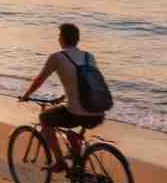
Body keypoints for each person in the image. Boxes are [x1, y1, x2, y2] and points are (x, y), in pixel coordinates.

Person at [18, 23, 105, 172]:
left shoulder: (57, 57)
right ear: (77, 40)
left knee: (45, 118)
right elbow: (87, 82)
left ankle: (59, 161)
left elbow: (39, 80)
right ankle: (77, 157)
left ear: (62, 39)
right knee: (76, 122)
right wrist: (64, 96)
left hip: (76, 113)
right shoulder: (89, 57)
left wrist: (26, 95)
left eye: (59, 36)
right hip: (98, 112)